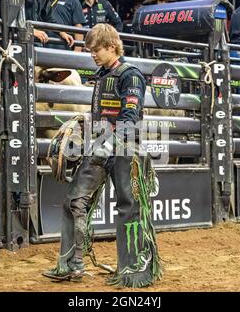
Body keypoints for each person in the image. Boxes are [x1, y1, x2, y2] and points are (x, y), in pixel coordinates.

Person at [43, 23, 162, 288]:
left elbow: (130, 117)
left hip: (125, 150)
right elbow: (104, 114)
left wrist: (106, 141)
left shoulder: (130, 75)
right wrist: (88, 123)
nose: (93, 55)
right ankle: (70, 264)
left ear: (111, 47)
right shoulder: (102, 75)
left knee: (130, 207)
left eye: (96, 50)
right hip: (101, 145)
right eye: (91, 51)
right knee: (75, 200)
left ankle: (135, 270)